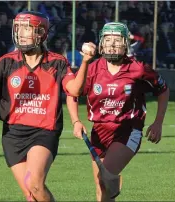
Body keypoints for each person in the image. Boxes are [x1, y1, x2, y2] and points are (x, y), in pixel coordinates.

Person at [0, 11, 92, 201]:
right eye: (19, 28)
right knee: (30, 195)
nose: (22, 33)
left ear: (41, 33)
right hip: (12, 134)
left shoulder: (57, 62)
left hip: (44, 131)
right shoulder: (6, 62)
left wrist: (86, 63)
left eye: (27, 29)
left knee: (35, 184)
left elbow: (74, 90)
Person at [67, 22, 169, 201]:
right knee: (102, 189)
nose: (112, 44)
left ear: (125, 44)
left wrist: (158, 122)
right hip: (98, 132)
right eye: (108, 40)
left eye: (117, 40)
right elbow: (72, 93)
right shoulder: (92, 68)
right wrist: (75, 120)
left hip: (127, 131)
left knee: (105, 178)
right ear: (101, 43)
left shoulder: (138, 69)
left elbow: (163, 89)